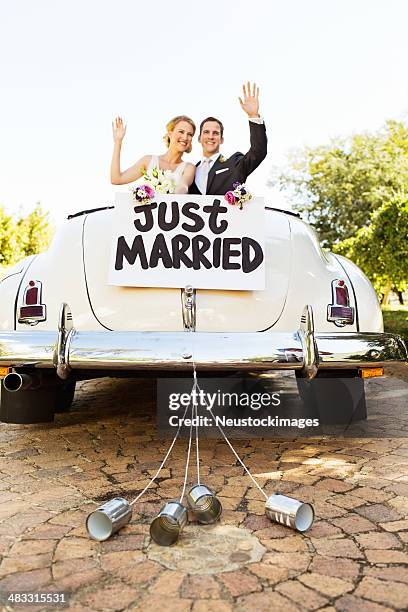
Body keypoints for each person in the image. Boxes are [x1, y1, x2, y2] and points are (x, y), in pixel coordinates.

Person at [189, 82, 267, 196]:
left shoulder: (235, 164)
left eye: (215, 133)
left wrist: (253, 115)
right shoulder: (190, 171)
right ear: (199, 138)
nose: (210, 136)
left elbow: (258, 151)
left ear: (221, 140)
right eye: (206, 132)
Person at [111, 115, 197, 193]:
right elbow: (116, 179)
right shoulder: (148, 160)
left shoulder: (189, 167)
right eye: (181, 132)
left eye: (189, 134)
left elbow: (183, 186)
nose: (185, 137)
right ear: (170, 134)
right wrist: (118, 142)